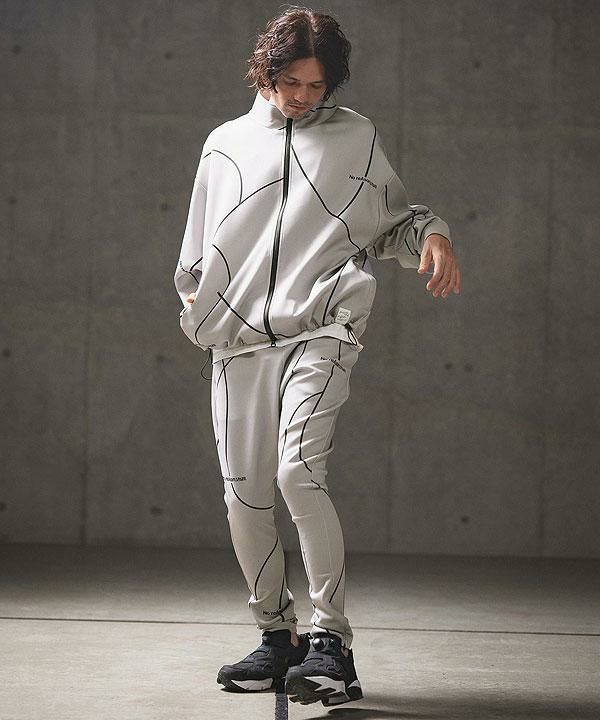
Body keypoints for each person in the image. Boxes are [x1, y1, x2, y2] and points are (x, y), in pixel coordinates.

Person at [173, 5, 460, 707]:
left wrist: (434, 237)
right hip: (237, 340)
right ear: (264, 72)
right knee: (244, 496)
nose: (302, 96)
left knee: (297, 471)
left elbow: (392, 221)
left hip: (321, 329)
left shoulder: (353, 136)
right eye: (290, 82)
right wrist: (202, 309)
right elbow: (196, 249)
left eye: (316, 85)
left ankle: (331, 642)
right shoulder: (224, 145)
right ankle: (278, 638)